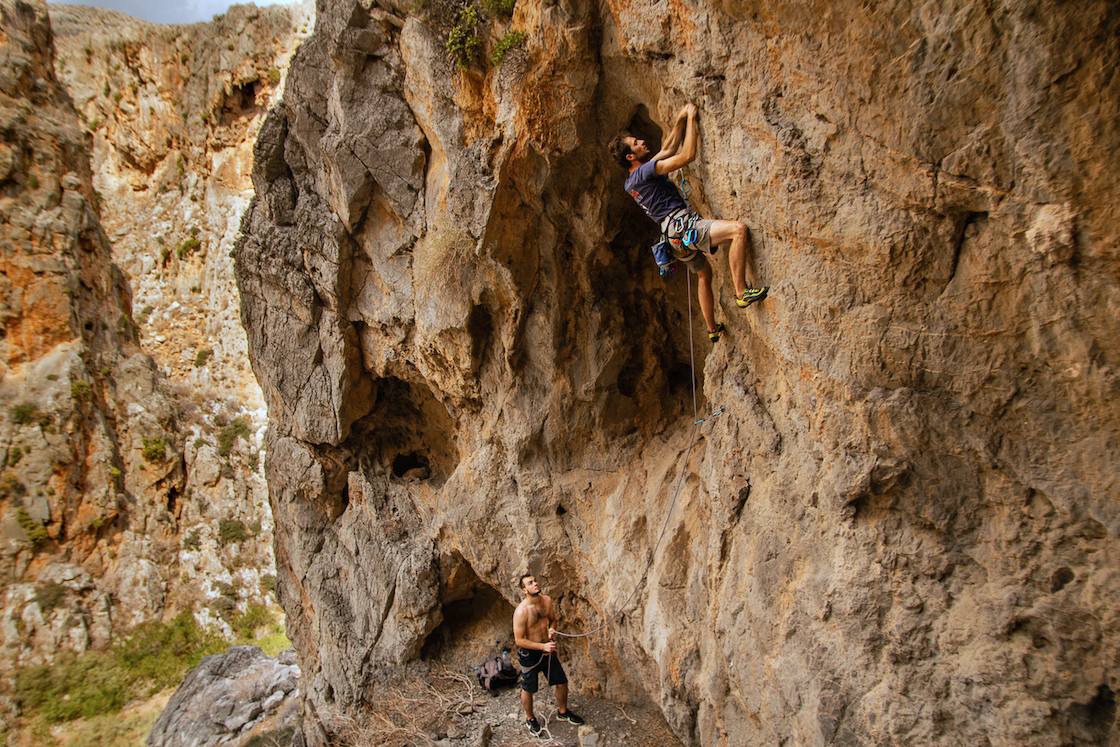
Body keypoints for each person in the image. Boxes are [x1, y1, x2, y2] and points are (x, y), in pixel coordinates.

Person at [609, 103, 768, 342]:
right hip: (685, 228)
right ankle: (741, 292)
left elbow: (669, 147)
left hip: (672, 240)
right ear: (630, 156)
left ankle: (712, 329)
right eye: (635, 143)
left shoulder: (631, 182)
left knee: (704, 275)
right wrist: (692, 120)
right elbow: (686, 156)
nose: (641, 142)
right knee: (738, 231)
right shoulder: (646, 173)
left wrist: (680, 118)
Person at [513, 574, 584, 735]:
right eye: (530, 583)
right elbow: (519, 640)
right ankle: (530, 718)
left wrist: (552, 628)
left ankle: (563, 711)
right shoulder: (521, 612)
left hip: (548, 649)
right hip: (530, 654)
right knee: (528, 688)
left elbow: (553, 620)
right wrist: (542, 646)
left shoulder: (546, 601)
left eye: (535, 581)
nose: (535, 584)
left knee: (561, 682)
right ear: (524, 590)